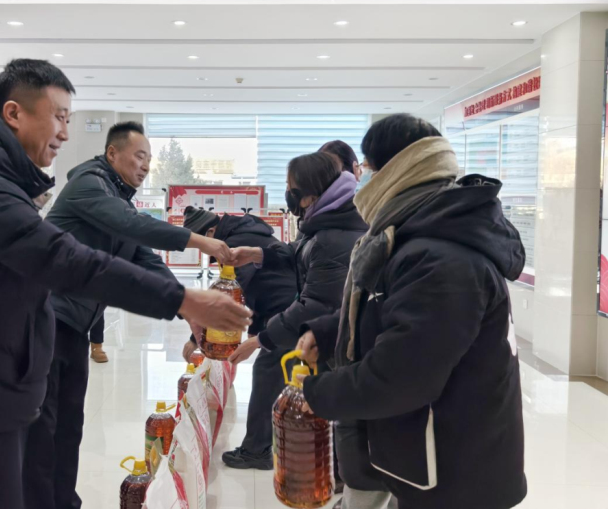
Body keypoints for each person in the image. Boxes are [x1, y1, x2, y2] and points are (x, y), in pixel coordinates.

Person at [0, 59, 251, 509]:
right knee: (30, 456)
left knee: (60, 434)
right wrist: (185, 293)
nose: (65, 133)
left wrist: (188, 308)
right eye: (59, 117)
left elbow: (135, 252)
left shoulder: (1, 183)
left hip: (1, 378)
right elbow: (67, 260)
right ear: (14, 113)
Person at [296, 114, 527, 509]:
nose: (363, 181)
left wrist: (317, 394)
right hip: (436, 454)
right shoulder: (419, 234)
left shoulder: (441, 257)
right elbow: (395, 311)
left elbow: (402, 376)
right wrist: (328, 331)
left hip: (459, 475)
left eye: (369, 169)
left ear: (396, 170)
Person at [24, 120, 235, 509]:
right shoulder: (89, 185)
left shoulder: (116, 197)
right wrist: (199, 240)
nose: (146, 166)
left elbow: (143, 255)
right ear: (112, 154)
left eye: (149, 159)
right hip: (46, 319)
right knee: (44, 427)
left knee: (69, 426)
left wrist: (189, 310)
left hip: (74, 326)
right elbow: (131, 225)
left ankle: (63, 501)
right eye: (139, 156)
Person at [182, 206, 297, 470]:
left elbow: (231, 295)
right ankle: (275, 442)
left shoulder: (234, 244)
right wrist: (255, 330)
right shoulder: (244, 231)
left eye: (202, 246)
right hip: (285, 306)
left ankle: (257, 450)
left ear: (210, 232)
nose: (206, 254)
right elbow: (260, 286)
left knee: (268, 374)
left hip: (287, 310)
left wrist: (195, 338)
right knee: (280, 374)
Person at [228, 151, 367, 367]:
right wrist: (259, 254)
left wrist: (261, 339)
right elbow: (303, 251)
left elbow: (315, 305)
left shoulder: (332, 237)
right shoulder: (331, 219)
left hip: (339, 355)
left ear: (310, 196)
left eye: (290, 188)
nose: (287, 194)